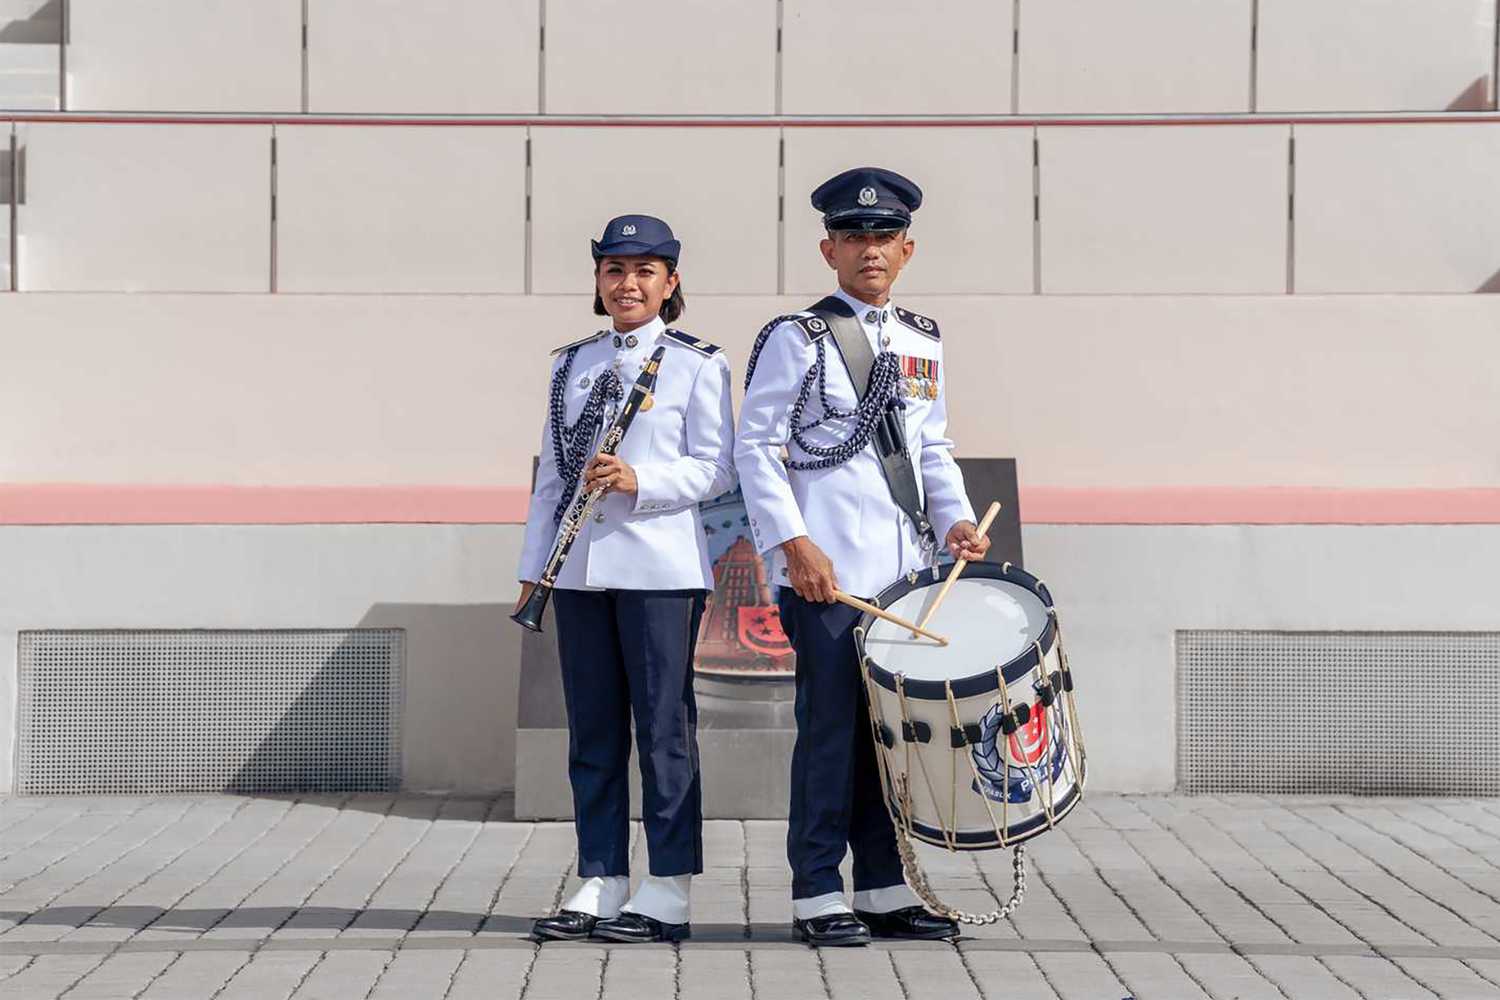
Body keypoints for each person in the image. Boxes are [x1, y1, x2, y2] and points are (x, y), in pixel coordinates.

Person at [735, 167, 991, 946]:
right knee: (829, 734)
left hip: (904, 577)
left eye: (883, 238)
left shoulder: (922, 340)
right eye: (853, 237)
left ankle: (881, 886)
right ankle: (817, 891)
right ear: (828, 249)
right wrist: (794, 543)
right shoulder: (796, 337)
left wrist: (954, 524)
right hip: (828, 580)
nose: (869, 250)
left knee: (890, 739)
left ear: (906, 250)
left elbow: (932, 448)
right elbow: (757, 447)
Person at [517, 214, 735, 944]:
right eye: (615, 269)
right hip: (577, 571)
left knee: (665, 732)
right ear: (598, 281)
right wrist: (531, 571)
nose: (628, 283)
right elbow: (549, 477)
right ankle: (601, 876)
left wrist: (641, 478)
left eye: (645, 270)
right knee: (594, 732)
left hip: (660, 569)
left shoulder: (699, 363)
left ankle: (668, 885)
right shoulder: (569, 364)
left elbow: (715, 467)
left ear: (670, 283)